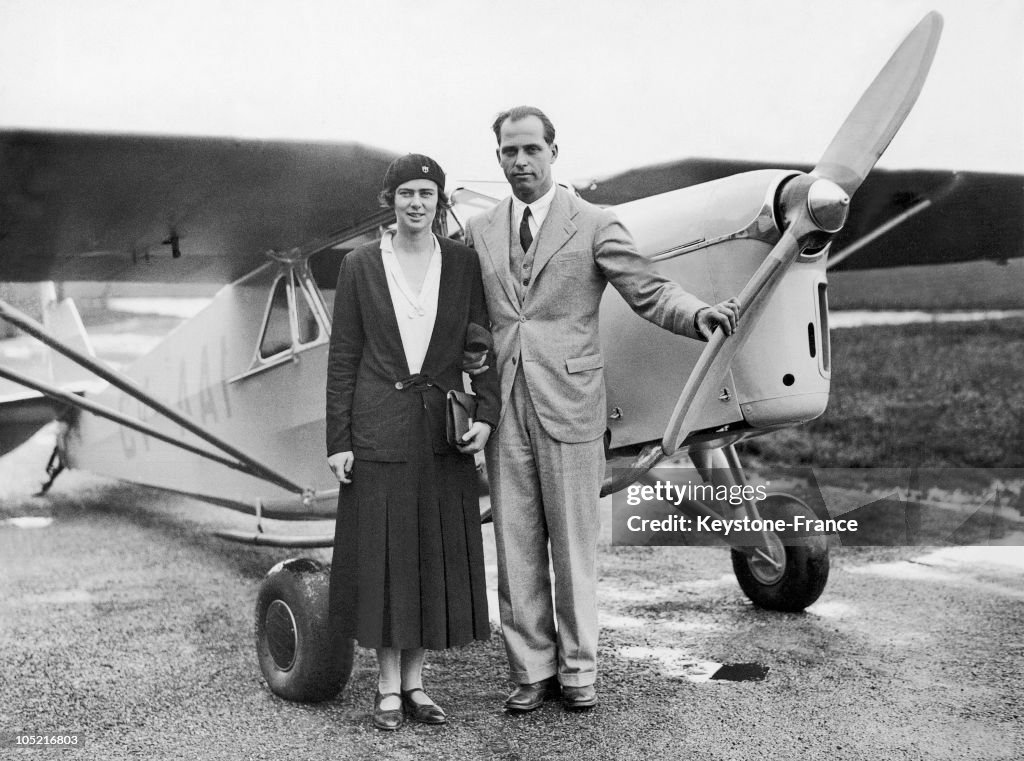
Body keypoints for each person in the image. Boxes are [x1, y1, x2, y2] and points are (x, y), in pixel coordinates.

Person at [463, 106, 740, 713]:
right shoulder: (479, 233)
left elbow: (649, 290)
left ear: (554, 152)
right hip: (504, 407)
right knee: (515, 548)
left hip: (572, 404)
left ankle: (579, 671)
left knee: (573, 546)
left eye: (531, 149)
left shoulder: (593, 223)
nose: (520, 162)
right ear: (499, 159)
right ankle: (530, 671)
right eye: (509, 152)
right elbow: (466, 321)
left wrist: (698, 314)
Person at [325, 154, 499, 730]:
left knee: (426, 554)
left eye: (427, 193)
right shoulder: (359, 267)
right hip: (378, 432)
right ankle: (386, 687)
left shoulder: (463, 263)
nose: (417, 203)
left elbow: (481, 345)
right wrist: (339, 439)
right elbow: (344, 357)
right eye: (406, 194)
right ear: (390, 200)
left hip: (441, 433)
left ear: (439, 199)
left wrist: (489, 414)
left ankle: (418, 685)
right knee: (384, 557)